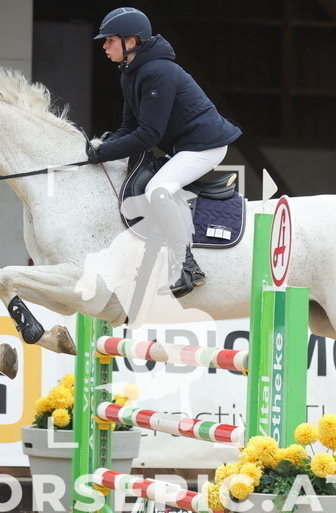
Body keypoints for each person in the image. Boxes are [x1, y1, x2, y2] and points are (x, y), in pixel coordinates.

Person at [85, 7, 242, 298]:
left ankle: (188, 267)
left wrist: (104, 153)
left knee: (158, 190)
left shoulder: (158, 72)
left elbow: (148, 135)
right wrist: (97, 150)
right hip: (185, 146)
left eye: (109, 40)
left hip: (205, 146)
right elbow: (128, 127)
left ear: (131, 42)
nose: (104, 46)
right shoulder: (129, 74)